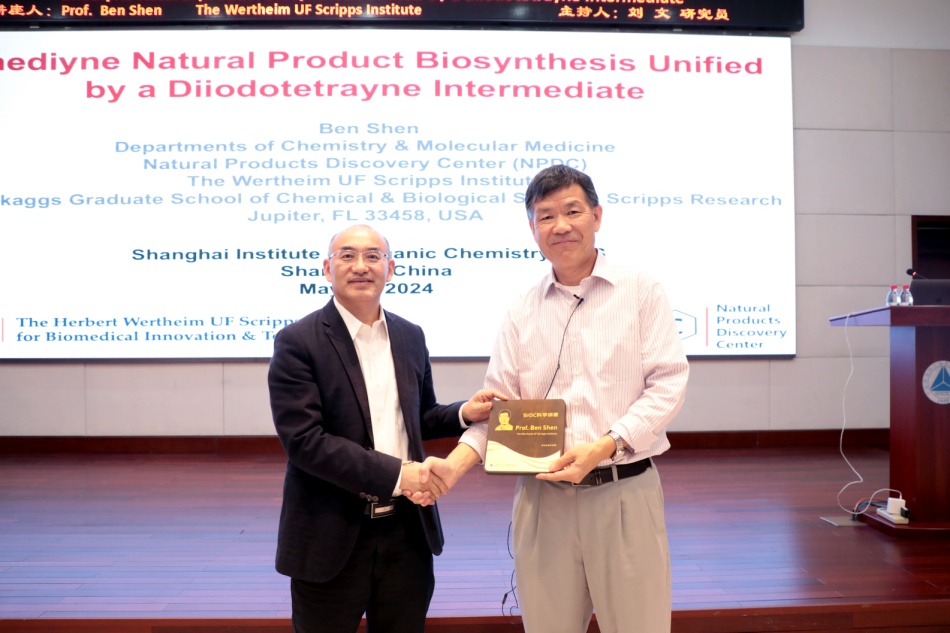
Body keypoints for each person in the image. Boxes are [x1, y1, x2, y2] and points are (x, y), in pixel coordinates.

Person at [416, 165, 689, 633]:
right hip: (542, 500)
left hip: (623, 491)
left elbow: (667, 383)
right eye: (546, 216)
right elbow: (499, 412)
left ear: (597, 216)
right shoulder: (523, 308)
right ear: (532, 229)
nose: (560, 225)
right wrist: (453, 467)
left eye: (572, 211)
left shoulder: (640, 290)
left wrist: (603, 446)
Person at [268, 224, 500, 633]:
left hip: (407, 533)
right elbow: (305, 442)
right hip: (331, 534)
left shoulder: (410, 335)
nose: (361, 266)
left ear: (390, 269)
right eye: (347, 255)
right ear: (327, 268)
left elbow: (418, 416)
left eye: (373, 256)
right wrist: (398, 474)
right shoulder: (298, 341)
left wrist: (464, 412)